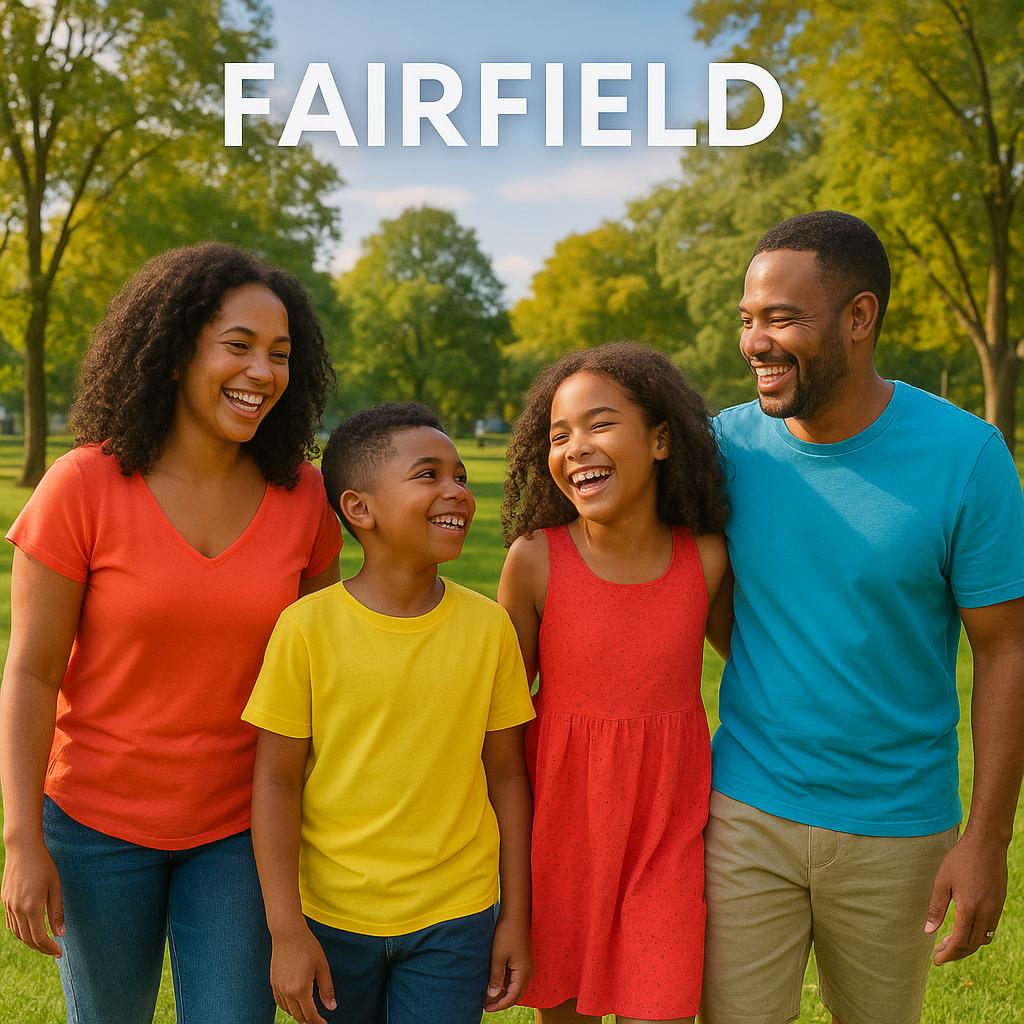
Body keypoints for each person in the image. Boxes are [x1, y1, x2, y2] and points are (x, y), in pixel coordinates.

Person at [0, 242, 342, 1024]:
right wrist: (23, 840)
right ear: (177, 349)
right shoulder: (83, 484)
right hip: (94, 826)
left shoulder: (303, 498)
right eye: (239, 346)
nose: (263, 371)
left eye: (281, 354)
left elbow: (325, 670)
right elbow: (30, 673)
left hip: (239, 828)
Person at [702, 210, 1024, 1024]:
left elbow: (1006, 649)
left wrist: (987, 841)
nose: (755, 342)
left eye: (782, 318)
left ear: (859, 316)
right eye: (748, 319)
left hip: (900, 829)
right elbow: (686, 588)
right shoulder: (721, 450)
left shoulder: (968, 456)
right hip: (746, 810)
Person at [243, 402, 536, 1024]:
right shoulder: (306, 629)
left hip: (454, 920)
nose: (456, 490)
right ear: (359, 509)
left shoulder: (489, 629)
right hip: (331, 918)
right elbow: (275, 781)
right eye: (428, 475)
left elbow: (508, 775)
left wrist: (513, 916)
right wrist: (287, 930)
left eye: (459, 475)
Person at [499, 342, 730, 1023]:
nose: (576, 448)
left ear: (660, 439)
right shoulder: (535, 561)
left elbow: (760, 659)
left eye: (599, 424)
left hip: (667, 835)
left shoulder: (707, 558)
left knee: (661, 1005)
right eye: (559, 435)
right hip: (561, 836)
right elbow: (500, 717)